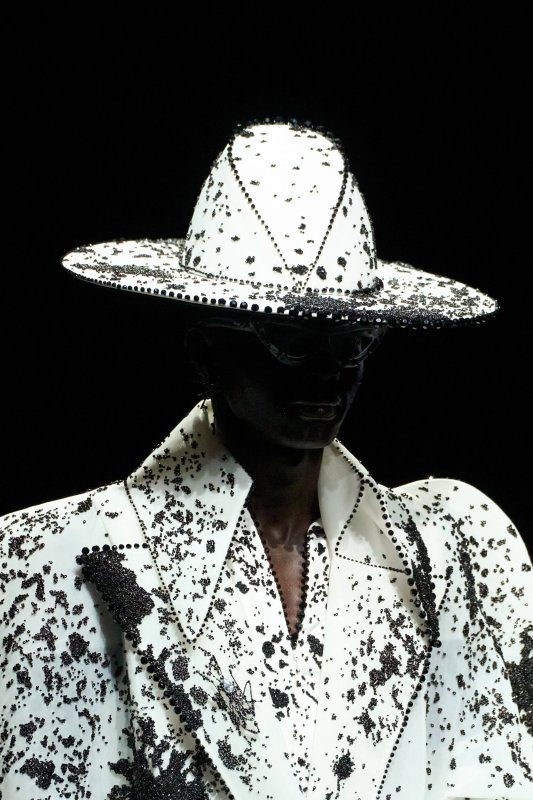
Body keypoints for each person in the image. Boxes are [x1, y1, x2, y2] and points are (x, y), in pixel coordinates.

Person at [0, 119, 531, 800]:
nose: (326, 373)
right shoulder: (55, 558)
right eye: (289, 339)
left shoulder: (453, 552)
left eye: (352, 340)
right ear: (205, 347)